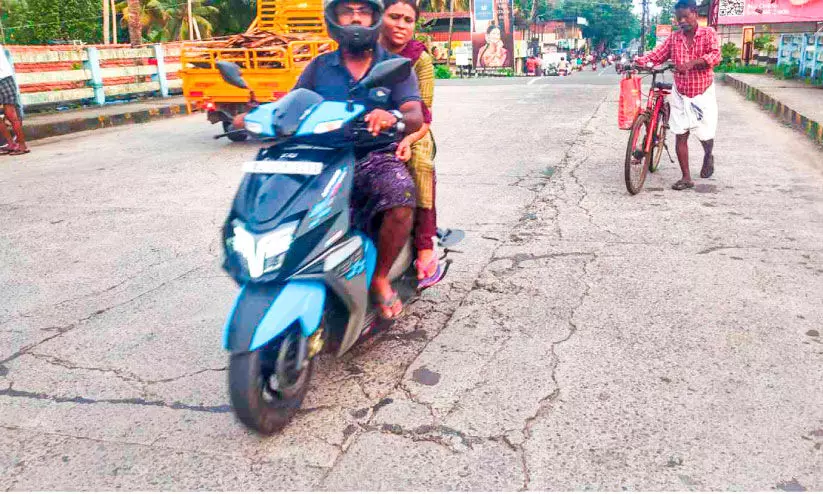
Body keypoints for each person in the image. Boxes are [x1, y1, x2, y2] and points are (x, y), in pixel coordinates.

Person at [235, 0, 424, 318]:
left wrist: (391, 116)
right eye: (347, 11)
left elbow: (415, 113)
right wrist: (256, 117)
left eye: (363, 11)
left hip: (371, 156)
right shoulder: (319, 67)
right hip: (321, 156)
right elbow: (293, 105)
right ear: (334, 18)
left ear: (374, 18)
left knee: (400, 195)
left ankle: (379, 278)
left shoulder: (395, 66)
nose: (355, 18)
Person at [379, 0, 446, 289]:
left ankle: (424, 245)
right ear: (379, 18)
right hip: (369, 130)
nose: (401, 25)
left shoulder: (419, 59)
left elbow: (425, 118)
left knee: (419, 163)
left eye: (408, 20)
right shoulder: (365, 53)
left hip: (412, 132)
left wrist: (406, 138)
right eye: (394, 17)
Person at [635, 0, 720, 190]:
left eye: (685, 16)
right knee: (680, 134)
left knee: (705, 134)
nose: (681, 20)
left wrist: (692, 63)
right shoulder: (674, 38)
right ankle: (686, 177)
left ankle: (708, 156)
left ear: (694, 13)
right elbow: (656, 55)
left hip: (703, 91)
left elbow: (715, 55)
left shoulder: (708, 33)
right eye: (678, 17)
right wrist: (637, 62)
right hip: (680, 92)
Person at [0, 45, 29, 156]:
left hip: (4, 79)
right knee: (8, 115)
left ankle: (21, 145)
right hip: (6, 79)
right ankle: (12, 144)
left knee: (11, 114)